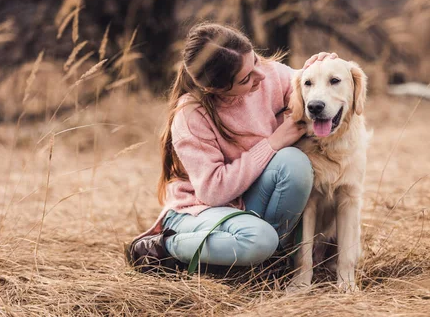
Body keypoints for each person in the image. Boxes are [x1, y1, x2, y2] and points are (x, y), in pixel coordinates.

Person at [125, 22, 337, 273]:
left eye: (256, 61)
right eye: (246, 79)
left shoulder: (272, 75)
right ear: (214, 89)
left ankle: (268, 261)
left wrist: (322, 71)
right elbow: (212, 192)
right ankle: (165, 247)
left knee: (294, 162)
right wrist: (272, 143)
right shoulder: (192, 115)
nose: (260, 75)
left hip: (248, 202)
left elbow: (310, 90)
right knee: (258, 240)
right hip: (201, 210)